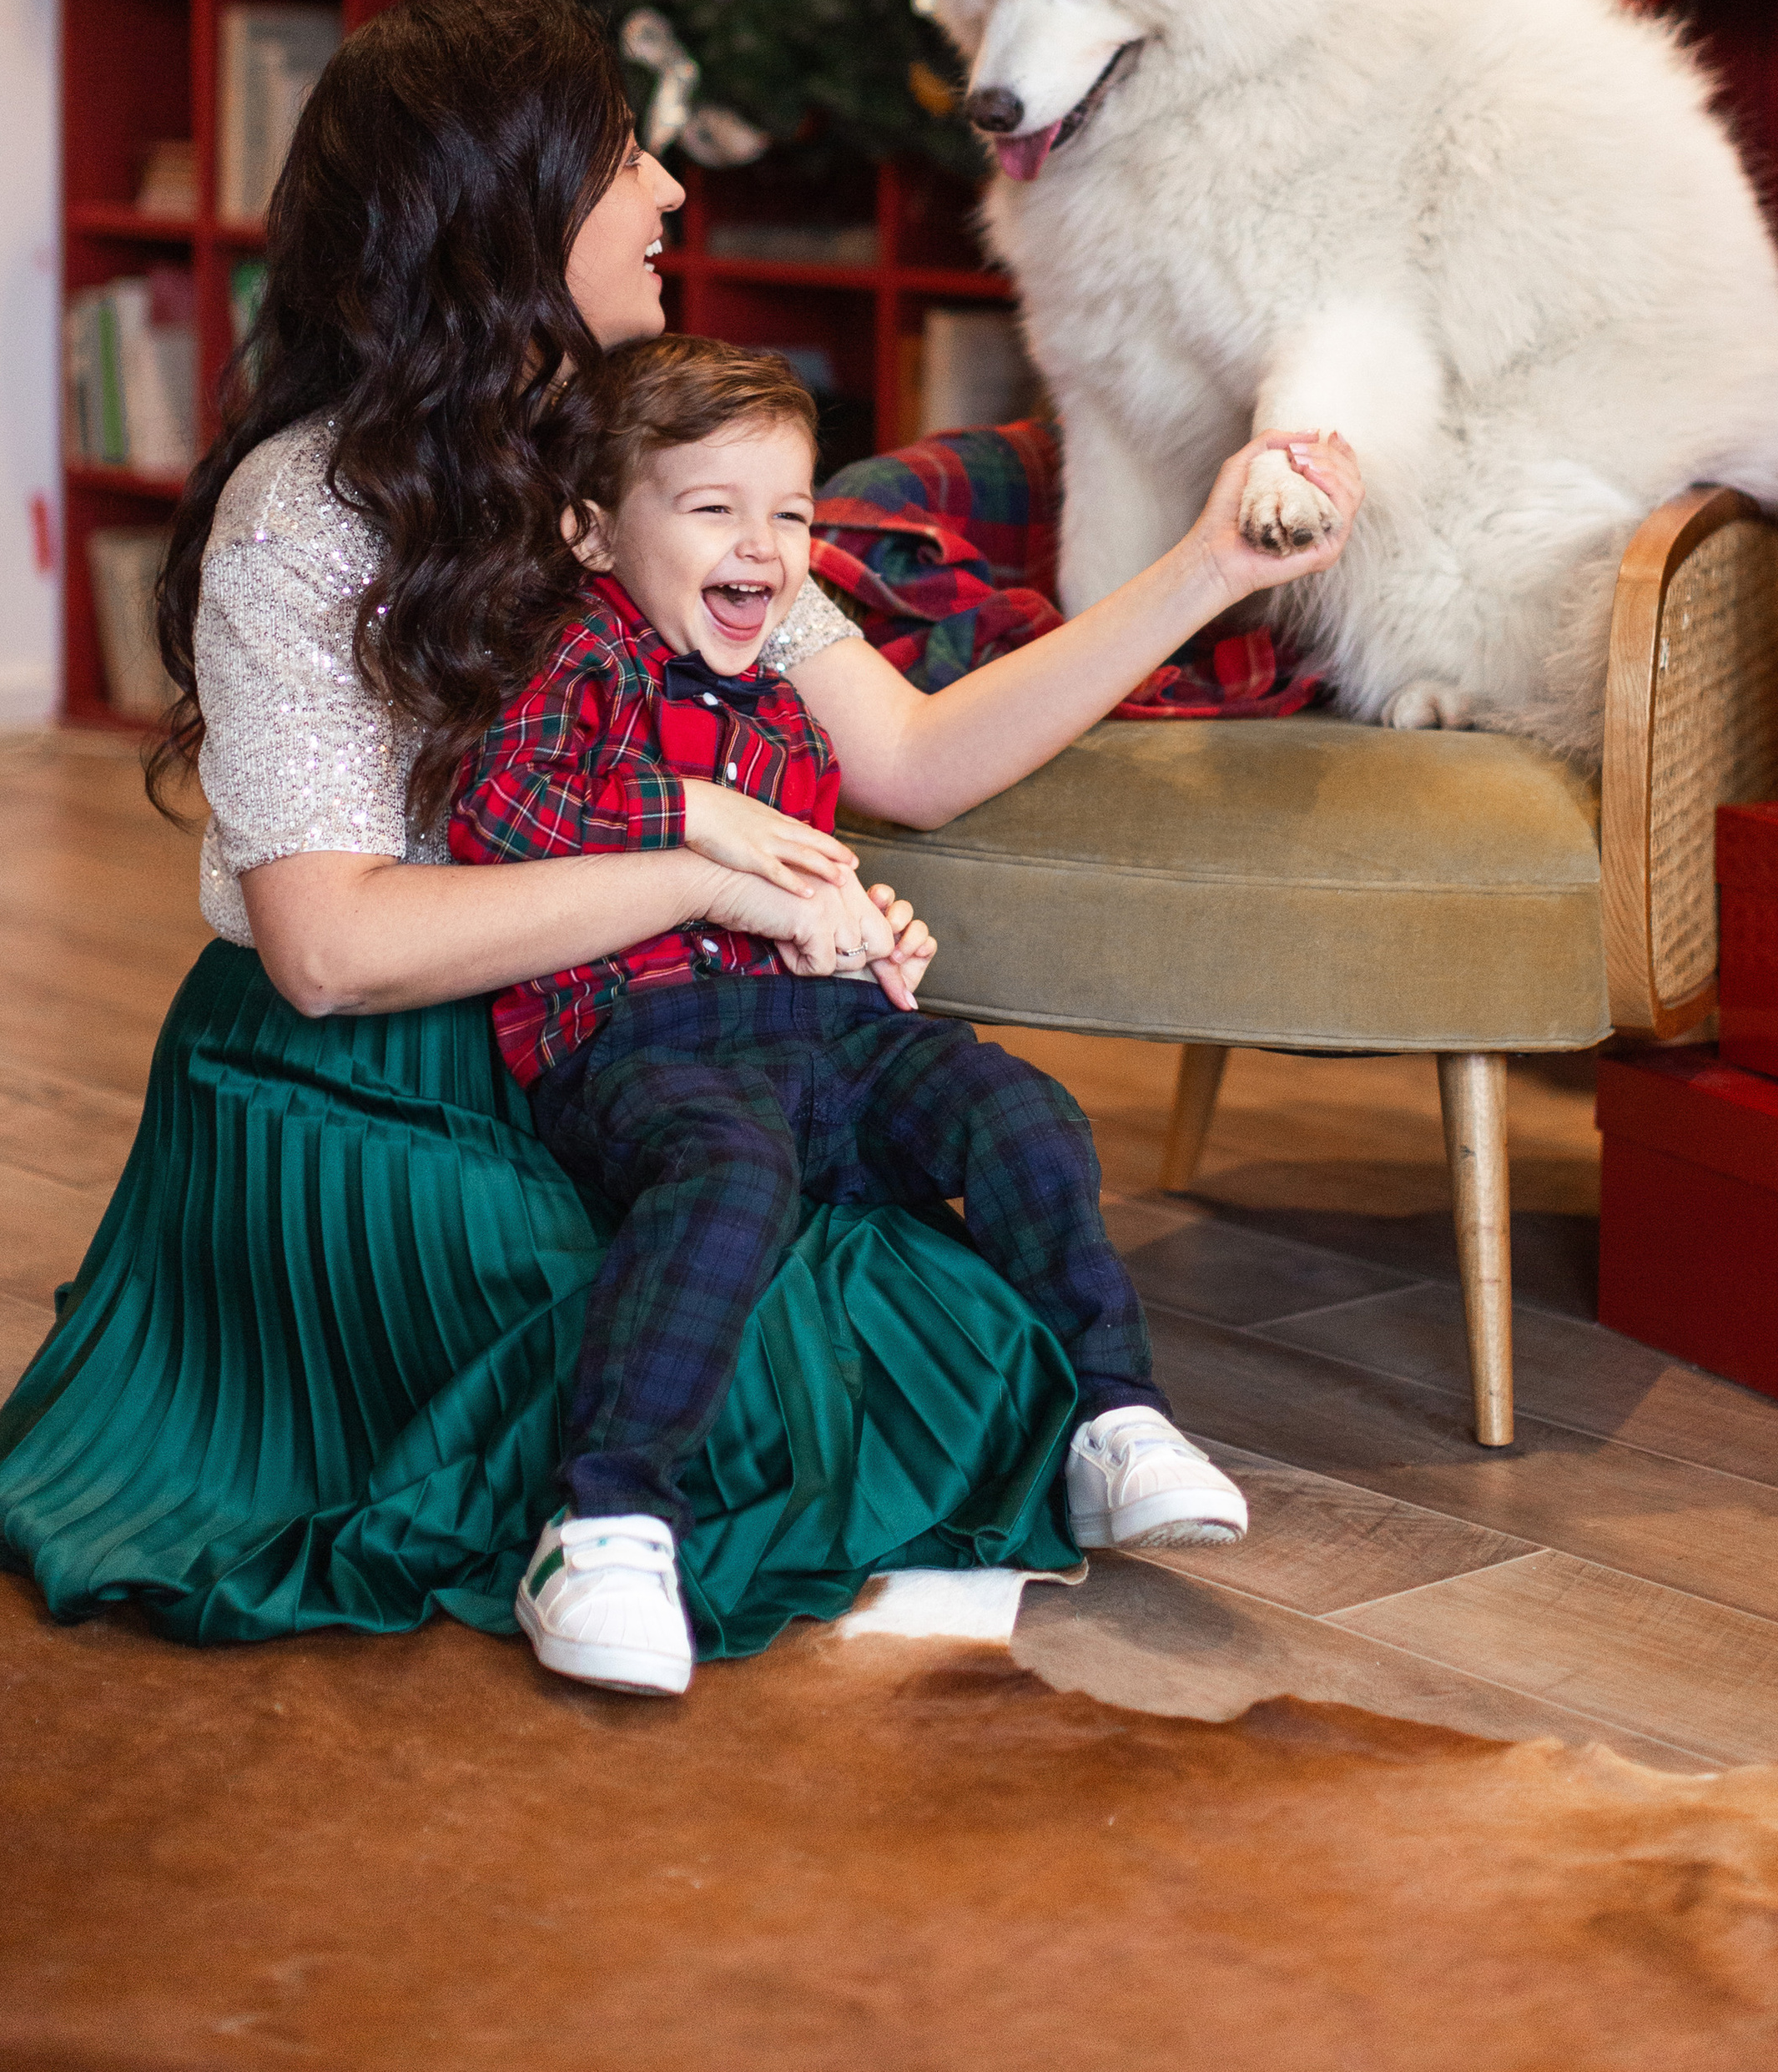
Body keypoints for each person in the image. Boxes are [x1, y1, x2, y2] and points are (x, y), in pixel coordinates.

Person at [0, 0, 1357, 1661]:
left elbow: (904, 756)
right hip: (363, 1083)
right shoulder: (309, 513)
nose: (671, 193)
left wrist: (1211, 564)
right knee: (738, 1386)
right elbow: (327, 951)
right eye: (629, 153)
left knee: (958, 1352)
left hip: (646, 1033)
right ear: (514, 201)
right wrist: (700, 865)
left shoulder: (651, 456)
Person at [454, 333, 1361, 1695]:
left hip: (824, 1030)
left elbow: (835, 846)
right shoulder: (580, 664)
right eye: (712, 510)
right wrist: (703, 827)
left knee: (1020, 1114)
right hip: (640, 1040)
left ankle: (1115, 1417)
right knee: (729, 1178)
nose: (764, 545)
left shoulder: (785, 700)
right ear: (593, 531)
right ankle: (606, 1522)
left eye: (792, 514)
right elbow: (493, 809)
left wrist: (867, 924)